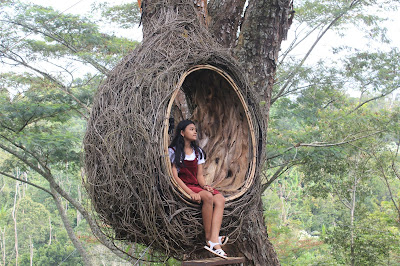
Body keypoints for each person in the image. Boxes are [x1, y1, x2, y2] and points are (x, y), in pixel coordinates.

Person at [168, 120, 228, 259]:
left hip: (195, 184)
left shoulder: (198, 151)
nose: (195, 132)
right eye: (191, 129)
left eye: (195, 129)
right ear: (182, 133)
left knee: (219, 198)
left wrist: (204, 186)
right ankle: (210, 240)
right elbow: (175, 177)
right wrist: (191, 192)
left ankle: (214, 237)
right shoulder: (173, 151)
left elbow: (199, 175)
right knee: (207, 197)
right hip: (183, 186)